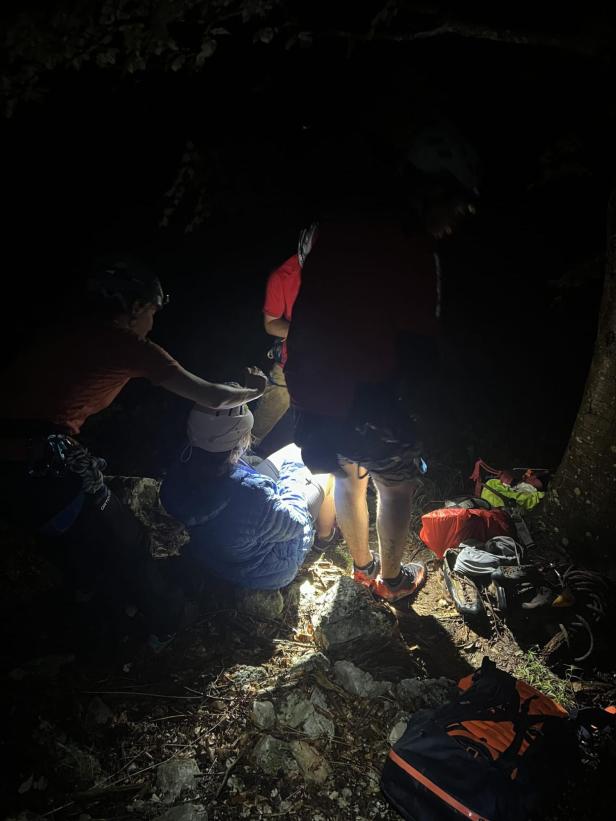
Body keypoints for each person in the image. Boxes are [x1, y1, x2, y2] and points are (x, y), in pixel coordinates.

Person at [0, 259, 267, 638]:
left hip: (17, 464)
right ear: (138, 308)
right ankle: (166, 624)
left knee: (76, 547)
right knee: (129, 541)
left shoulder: (64, 331)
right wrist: (255, 389)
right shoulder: (127, 346)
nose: (152, 324)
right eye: (153, 313)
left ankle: (90, 613)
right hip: (39, 466)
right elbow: (211, 395)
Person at [285, 122, 480, 605]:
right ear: (433, 191)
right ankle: (392, 582)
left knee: (348, 474)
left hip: (309, 384)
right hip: (362, 392)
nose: (457, 219)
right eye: (457, 204)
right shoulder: (413, 246)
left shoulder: (329, 226)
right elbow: (419, 349)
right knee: (396, 483)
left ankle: (362, 569)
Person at [160, 397, 336, 591]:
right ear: (239, 443)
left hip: (211, 554)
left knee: (294, 450)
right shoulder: (252, 493)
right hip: (262, 570)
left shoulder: (179, 469)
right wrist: (292, 478)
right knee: (322, 468)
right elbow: (295, 523)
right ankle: (324, 538)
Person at [251, 223, 318, 448]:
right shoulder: (283, 277)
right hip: (291, 359)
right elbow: (271, 324)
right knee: (268, 413)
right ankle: (242, 451)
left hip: (330, 363)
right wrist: (304, 332)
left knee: (321, 424)